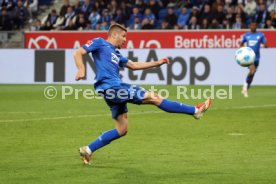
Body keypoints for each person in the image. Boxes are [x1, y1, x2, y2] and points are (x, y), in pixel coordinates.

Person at [74, 23, 212, 165]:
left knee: (122, 129)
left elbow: (134, 65)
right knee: (155, 97)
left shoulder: (116, 54)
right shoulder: (99, 42)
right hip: (113, 88)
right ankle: (195, 111)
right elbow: (78, 52)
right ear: (114, 35)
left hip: (111, 92)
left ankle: (88, 149)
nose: (125, 40)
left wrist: (157, 63)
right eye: (123, 36)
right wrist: (81, 69)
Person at [240, 21, 268, 97]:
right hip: (249, 57)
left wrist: (265, 44)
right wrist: (243, 51)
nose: (253, 27)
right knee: (252, 71)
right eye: (252, 25)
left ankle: (246, 88)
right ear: (250, 26)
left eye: (254, 25)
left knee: (253, 74)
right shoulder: (246, 35)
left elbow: (265, 45)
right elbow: (241, 44)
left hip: (257, 58)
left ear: (256, 26)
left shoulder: (261, 35)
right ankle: (245, 87)